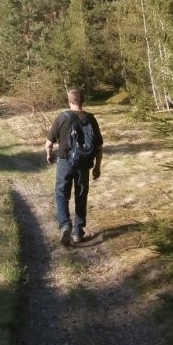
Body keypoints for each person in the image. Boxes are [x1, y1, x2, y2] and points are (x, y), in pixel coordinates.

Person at [45, 88, 103, 246]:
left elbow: (49, 143)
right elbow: (99, 147)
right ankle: (78, 232)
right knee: (81, 195)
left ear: (69, 101)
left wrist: (49, 154)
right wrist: (97, 167)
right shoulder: (91, 119)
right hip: (84, 164)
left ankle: (65, 225)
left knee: (61, 194)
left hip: (65, 162)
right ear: (83, 101)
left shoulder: (62, 117)